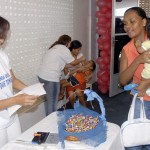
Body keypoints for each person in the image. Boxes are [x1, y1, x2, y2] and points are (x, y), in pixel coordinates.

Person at [0, 16, 38, 148]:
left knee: (17, 146)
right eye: (0, 36)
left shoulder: (2, 55)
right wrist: (16, 100)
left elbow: (13, 80)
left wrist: (31, 90)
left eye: (3, 36)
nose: (2, 40)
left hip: (10, 114)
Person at [119, 7, 150, 150]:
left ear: (144, 22)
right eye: (125, 23)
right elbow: (123, 80)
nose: (127, 27)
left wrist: (147, 82)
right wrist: (138, 59)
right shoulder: (127, 49)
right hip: (141, 100)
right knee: (134, 142)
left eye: (132, 21)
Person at [37, 35, 85, 115]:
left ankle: (49, 118)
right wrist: (81, 59)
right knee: (52, 101)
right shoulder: (64, 49)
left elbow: (65, 65)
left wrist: (76, 65)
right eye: (70, 42)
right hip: (50, 78)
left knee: (50, 100)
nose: (70, 44)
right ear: (68, 42)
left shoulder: (55, 47)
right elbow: (73, 62)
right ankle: (51, 121)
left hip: (42, 76)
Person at [64, 40, 95, 108]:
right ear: (73, 49)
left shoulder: (80, 56)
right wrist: (76, 69)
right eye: (78, 50)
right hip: (71, 79)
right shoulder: (67, 58)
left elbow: (87, 68)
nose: (79, 52)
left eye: (79, 50)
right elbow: (66, 74)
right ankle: (74, 108)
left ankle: (84, 107)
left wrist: (89, 76)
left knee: (78, 91)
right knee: (71, 95)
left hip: (80, 80)